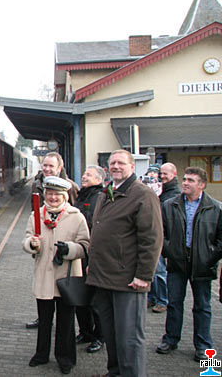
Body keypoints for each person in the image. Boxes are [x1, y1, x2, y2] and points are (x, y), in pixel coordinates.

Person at [87, 149, 163, 377]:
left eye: (121, 163)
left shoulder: (143, 195)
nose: (116, 166)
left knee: (129, 337)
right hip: (104, 276)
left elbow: (152, 239)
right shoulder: (107, 193)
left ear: (132, 166)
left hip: (128, 279)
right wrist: (93, 264)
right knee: (111, 334)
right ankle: (115, 372)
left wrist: (144, 275)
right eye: (113, 163)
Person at [23, 176, 90, 375]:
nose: (53, 198)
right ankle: (41, 354)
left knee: (66, 321)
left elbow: (86, 246)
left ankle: (65, 358)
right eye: (50, 194)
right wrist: (31, 244)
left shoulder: (76, 216)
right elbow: (27, 238)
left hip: (66, 277)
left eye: (57, 195)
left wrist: (69, 249)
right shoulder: (37, 215)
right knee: (44, 319)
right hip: (44, 276)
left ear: (64, 196)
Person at [156, 167, 222, 361]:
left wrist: (210, 257)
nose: (185, 183)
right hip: (177, 263)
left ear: (202, 185)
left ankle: (203, 345)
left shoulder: (216, 208)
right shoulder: (169, 205)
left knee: (202, 306)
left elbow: (220, 239)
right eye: (184, 179)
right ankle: (171, 339)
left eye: (191, 180)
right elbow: (161, 233)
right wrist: (169, 251)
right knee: (174, 303)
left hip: (203, 264)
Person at [26, 152, 79, 329]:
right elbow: (34, 213)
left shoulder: (70, 186)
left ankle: (74, 328)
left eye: (51, 166)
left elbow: (75, 215)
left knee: (66, 291)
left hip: (64, 250)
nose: (47, 169)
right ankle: (43, 318)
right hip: (43, 247)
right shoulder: (36, 185)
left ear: (59, 167)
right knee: (44, 286)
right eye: (45, 165)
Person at [73, 165, 105, 354]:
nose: (84, 176)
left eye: (89, 175)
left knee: (95, 301)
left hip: (93, 255)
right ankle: (85, 332)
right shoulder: (82, 196)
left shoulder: (100, 198)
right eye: (84, 173)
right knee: (80, 298)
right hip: (79, 253)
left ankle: (99, 336)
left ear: (99, 180)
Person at [148, 162, 181, 313]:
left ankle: (162, 300)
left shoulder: (174, 193)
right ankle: (153, 297)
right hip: (156, 233)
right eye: (161, 173)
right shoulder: (160, 189)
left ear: (174, 174)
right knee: (154, 269)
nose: (162, 176)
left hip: (163, 235)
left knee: (160, 270)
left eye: (165, 174)